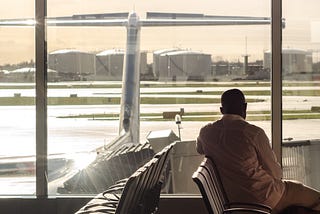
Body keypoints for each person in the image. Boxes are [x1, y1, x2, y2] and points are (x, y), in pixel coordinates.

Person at [196, 88, 320, 213]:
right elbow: (276, 174)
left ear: (222, 110)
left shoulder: (206, 132)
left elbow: (199, 149)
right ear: (245, 107)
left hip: (234, 200)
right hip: (266, 198)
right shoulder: (252, 133)